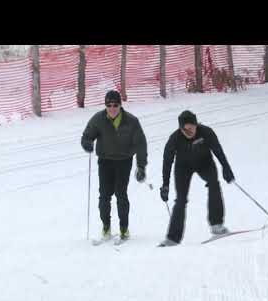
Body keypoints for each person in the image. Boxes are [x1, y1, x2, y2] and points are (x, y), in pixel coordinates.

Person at [158, 110, 235, 247]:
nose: (189, 132)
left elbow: (218, 150)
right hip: (183, 168)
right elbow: (167, 162)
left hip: (205, 163)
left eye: (192, 128)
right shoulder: (174, 138)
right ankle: (173, 238)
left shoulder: (206, 132)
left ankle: (217, 225)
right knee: (181, 199)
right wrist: (165, 185)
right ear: (180, 128)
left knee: (214, 184)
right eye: (185, 129)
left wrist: (226, 168)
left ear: (196, 125)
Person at [81, 90, 147, 245]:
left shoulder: (131, 121)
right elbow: (87, 135)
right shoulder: (98, 119)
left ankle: (124, 228)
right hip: (105, 161)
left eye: (115, 105)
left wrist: (141, 166)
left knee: (120, 194)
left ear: (120, 105)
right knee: (104, 195)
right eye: (109, 105)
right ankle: (106, 227)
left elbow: (140, 145)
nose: (112, 108)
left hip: (124, 161)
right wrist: (87, 143)